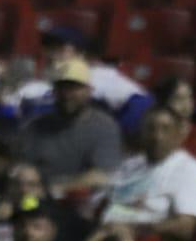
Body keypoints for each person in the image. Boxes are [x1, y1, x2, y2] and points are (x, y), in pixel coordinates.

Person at [84, 106, 196, 241]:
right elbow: (96, 202)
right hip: (104, 234)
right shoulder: (130, 164)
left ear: (178, 134)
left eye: (166, 129)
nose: (157, 136)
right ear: (142, 133)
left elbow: (185, 227)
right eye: (151, 129)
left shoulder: (189, 169)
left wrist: (133, 228)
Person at [7, 25, 152, 135]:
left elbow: (142, 103)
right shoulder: (33, 87)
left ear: (81, 53)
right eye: (48, 47)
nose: (51, 53)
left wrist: (116, 138)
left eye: (60, 48)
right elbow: (8, 118)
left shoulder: (100, 77)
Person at [19, 59, 124, 199]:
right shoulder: (37, 126)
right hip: (36, 199)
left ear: (89, 91)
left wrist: (54, 190)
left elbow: (102, 176)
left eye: (74, 88)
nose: (66, 94)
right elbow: (23, 166)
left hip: (79, 202)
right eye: (61, 87)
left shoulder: (104, 126)